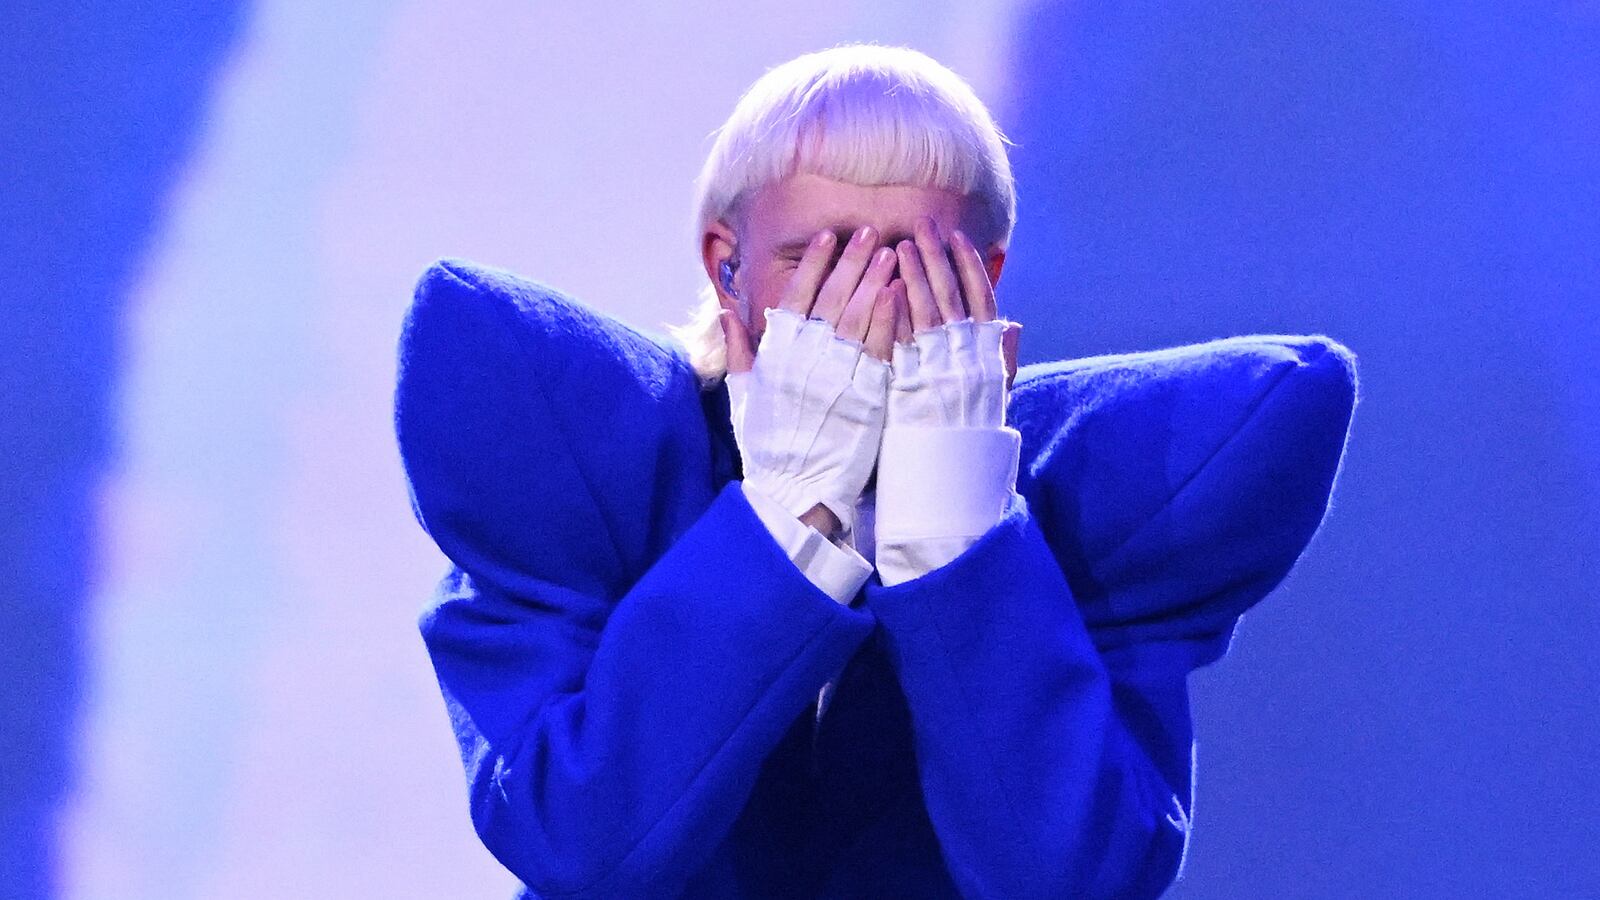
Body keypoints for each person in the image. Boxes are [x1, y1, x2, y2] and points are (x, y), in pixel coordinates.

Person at [394, 43, 1357, 899]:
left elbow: (1069, 878)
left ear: (988, 275)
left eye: (912, 260)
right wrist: (784, 519)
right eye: (817, 258)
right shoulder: (578, 464)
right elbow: (583, 842)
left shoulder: (1101, 512)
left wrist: (957, 533)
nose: (867, 302)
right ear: (726, 265)